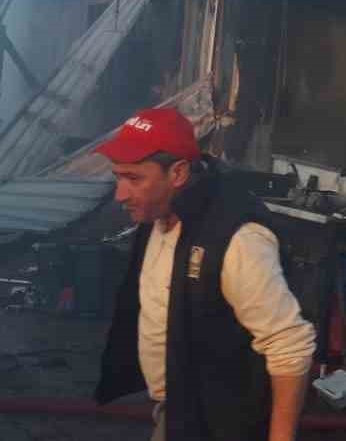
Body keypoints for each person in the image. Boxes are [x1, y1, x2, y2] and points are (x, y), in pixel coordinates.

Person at [94, 108, 316, 441]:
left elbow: (289, 344)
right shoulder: (158, 212)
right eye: (118, 178)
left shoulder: (237, 238)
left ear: (178, 173)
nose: (120, 194)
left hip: (224, 424)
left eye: (134, 179)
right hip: (181, 410)